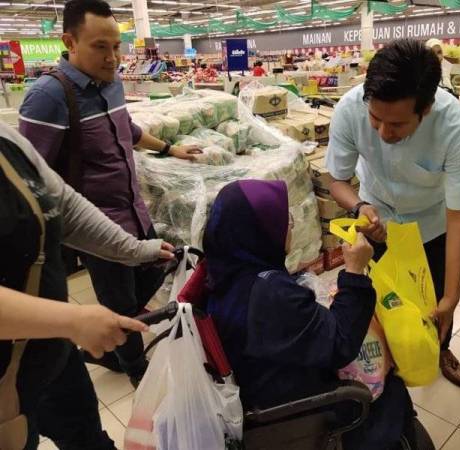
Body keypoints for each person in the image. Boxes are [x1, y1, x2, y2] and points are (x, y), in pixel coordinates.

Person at [17, 0, 200, 386]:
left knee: (147, 285)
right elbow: (32, 179)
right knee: (120, 304)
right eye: (101, 46)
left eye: (117, 46)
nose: (113, 57)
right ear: (69, 41)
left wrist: (171, 149)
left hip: (137, 213)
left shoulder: (112, 84)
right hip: (99, 232)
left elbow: (126, 130)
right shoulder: (48, 97)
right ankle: (137, 371)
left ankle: (119, 350)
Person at [203, 179, 419, 449]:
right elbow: (341, 344)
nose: (290, 223)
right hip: (299, 403)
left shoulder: (226, 268)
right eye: (283, 218)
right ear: (260, 230)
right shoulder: (271, 295)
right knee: (391, 387)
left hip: (258, 381)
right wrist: (354, 272)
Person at [0, 121, 174, 449]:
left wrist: (136, 250)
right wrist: (72, 320)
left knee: (87, 437)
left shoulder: (6, 140)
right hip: (8, 376)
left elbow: (64, 206)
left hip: (51, 352)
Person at [326, 39, 460, 389]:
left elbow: (459, 216)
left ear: (424, 110)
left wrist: (452, 298)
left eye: (396, 125)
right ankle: (387, 359)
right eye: (375, 119)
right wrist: (360, 207)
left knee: (435, 298)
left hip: (431, 223)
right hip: (375, 219)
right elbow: (336, 179)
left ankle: (441, 350)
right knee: (380, 299)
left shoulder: (454, 128)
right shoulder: (350, 110)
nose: (382, 132)